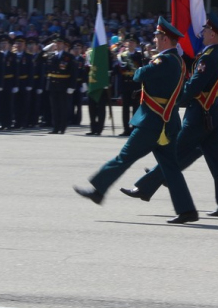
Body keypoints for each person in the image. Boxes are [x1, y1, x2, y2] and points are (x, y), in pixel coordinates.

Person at [74, 17, 199, 225]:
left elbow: (139, 75)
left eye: (157, 36)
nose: (155, 39)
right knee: (170, 167)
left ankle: (98, 190)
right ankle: (187, 210)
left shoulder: (164, 60)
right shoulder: (176, 60)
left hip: (153, 123)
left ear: (165, 39)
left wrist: (143, 66)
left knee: (124, 157)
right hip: (166, 121)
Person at [120, 15, 218, 217]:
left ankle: (146, 186)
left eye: (206, 31)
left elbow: (195, 85)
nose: (202, 33)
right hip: (211, 113)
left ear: (213, 34)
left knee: (172, 155)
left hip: (199, 115)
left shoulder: (209, 57)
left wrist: (174, 98)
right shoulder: (214, 53)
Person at [116, 37, 144, 135]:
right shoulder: (122, 56)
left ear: (136, 44)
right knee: (125, 109)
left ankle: (134, 128)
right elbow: (119, 73)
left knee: (136, 108)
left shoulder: (139, 56)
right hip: (125, 84)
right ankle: (126, 129)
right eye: (129, 42)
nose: (131, 44)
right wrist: (119, 88)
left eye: (133, 42)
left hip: (135, 85)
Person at [47, 37, 74, 134]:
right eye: (56, 43)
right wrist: (45, 49)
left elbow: (73, 72)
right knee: (54, 107)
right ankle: (55, 127)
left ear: (63, 45)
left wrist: (72, 86)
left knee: (63, 107)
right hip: (53, 84)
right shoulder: (50, 55)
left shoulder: (68, 57)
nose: (57, 45)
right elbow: (37, 59)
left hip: (64, 85)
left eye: (59, 43)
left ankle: (62, 127)